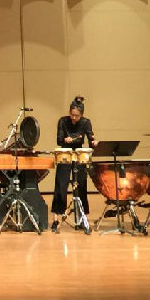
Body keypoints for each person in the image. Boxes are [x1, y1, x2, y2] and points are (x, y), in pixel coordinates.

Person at [50, 96, 97, 231]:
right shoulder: (63, 121)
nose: (74, 118)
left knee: (81, 186)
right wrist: (66, 140)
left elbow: (90, 138)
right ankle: (56, 218)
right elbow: (59, 140)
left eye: (77, 116)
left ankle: (82, 218)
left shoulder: (86, 122)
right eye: (72, 115)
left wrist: (94, 142)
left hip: (79, 154)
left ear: (81, 115)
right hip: (65, 153)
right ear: (69, 112)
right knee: (61, 185)